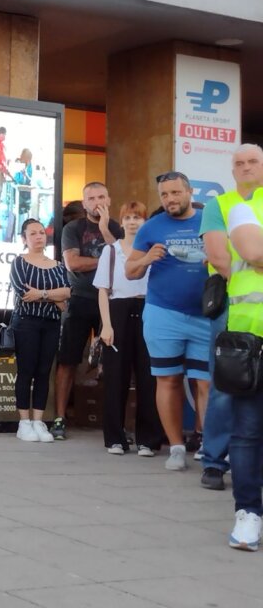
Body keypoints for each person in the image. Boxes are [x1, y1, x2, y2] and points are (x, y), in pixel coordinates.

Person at [126, 171, 218, 471]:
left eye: (176, 193)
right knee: (168, 380)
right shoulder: (151, 227)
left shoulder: (210, 221)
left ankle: (206, 444)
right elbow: (130, 272)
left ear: (190, 192)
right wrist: (145, 259)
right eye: (164, 195)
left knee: (206, 382)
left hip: (206, 314)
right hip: (163, 313)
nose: (170, 199)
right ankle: (176, 447)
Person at [198, 144, 263, 491]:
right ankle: (214, 461)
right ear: (233, 170)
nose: (246, 167)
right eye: (239, 163)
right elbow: (220, 258)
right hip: (231, 310)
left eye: (253, 161)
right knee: (226, 386)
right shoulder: (219, 205)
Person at [93, 201, 164, 456]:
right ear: (120, 222)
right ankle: (115, 437)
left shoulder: (153, 250)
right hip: (118, 311)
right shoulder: (111, 251)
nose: (133, 222)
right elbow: (103, 290)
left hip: (149, 309)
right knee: (115, 378)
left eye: (138, 217)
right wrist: (106, 325)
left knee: (149, 377)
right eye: (128, 217)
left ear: (146, 222)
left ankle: (147, 439)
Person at [54, 182, 122, 439]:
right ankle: (60, 417)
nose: (97, 202)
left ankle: (113, 422)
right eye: (91, 198)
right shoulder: (73, 228)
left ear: (109, 199)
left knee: (113, 363)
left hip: (112, 301)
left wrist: (106, 232)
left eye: (101, 196)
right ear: (84, 204)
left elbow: (124, 264)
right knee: (68, 360)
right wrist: (106, 259)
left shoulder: (117, 228)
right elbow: (72, 263)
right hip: (80, 299)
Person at [219, 201, 263, 550]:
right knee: (247, 433)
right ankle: (248, 513)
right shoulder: (244, 209)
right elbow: (252, 251)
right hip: (251, 344)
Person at [9, 218, 72, 442]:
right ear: (24, 239)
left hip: (51, 324)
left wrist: (43, 294)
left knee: (44, 372)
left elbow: (66, 296)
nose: (39, 237)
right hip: (26, 322)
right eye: (33, 233)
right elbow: (24, 292)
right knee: (26, 371)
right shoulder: (19, 262)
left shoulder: (58, 265)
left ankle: (39, 421)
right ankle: (24, 422)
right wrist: (55, 294)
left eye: (41, 233)